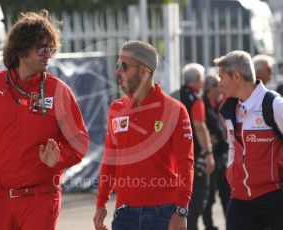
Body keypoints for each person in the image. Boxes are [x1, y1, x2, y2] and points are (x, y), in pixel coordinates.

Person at [0, 10, 89, 230]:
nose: (49, 55)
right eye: (42, 48)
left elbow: (80, 142)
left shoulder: (58, 92)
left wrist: (59, 158)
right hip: (0, 203)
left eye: (51, 49)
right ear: (22, 49)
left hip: (41, 200)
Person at [93, 40, 194, 230]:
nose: (118, 72)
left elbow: (185, 163)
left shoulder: (174, 109)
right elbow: (109, 160)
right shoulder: (116, 109)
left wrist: (181, 209)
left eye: (124, 66)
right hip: (124, 213)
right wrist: (101, 203)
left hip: (163, 213)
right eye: (117, 65)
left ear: (143, 72)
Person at [214, 50, 283, 230]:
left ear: (237, 76)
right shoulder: (230, 108)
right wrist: (232, 174)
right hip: (240, 198)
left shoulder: (274, 105)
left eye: (222, 77)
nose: (219, 84)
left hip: (275, 195)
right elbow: (233, 147)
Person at [178, 63, 215, 230]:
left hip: (174, 159)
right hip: (194, 158)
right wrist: (208, 154)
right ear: (199, 79)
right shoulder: (196, 99)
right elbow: (200, 127)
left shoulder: (174, 96)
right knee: (198, 198)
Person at [201, 75, 230, 230]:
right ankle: (209, 226)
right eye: (218, 86)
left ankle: (231, 224)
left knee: (227, 194)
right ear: (210, 88)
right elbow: (197, 126)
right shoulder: (202, 104)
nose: (221, 89)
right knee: (210, 195)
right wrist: (206, 139)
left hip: (221, 157)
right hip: (210, 157)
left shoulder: (217, 104)